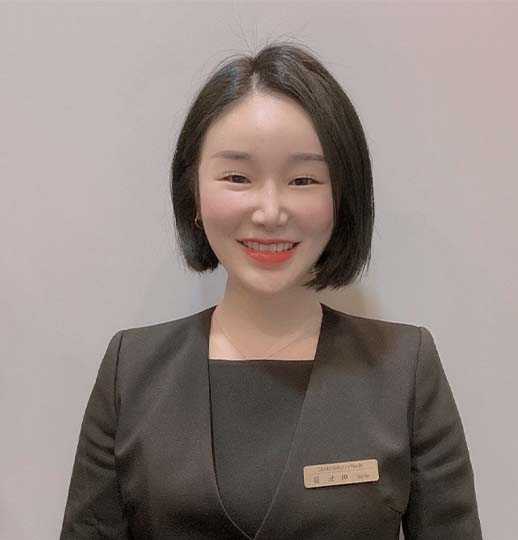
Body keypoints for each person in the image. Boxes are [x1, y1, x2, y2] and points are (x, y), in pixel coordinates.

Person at [60, 41, 483, 539]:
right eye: (237, 177)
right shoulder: (131, 372)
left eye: (303, 180)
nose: (269, 211)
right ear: (193, 193)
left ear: (343, 198)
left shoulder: (405, 369)